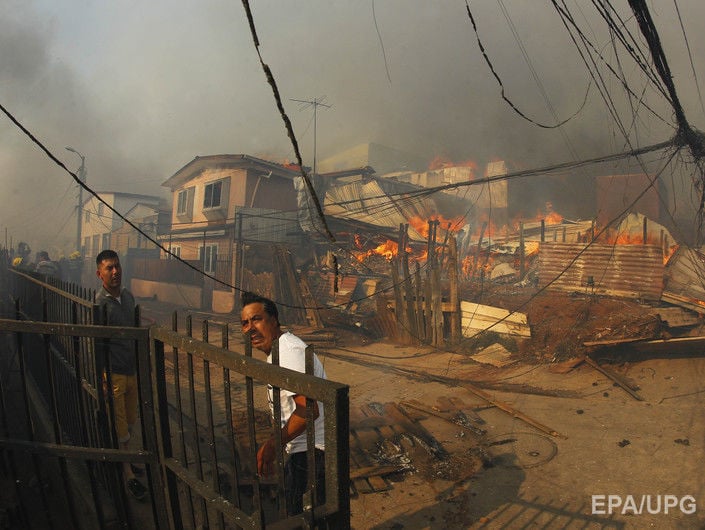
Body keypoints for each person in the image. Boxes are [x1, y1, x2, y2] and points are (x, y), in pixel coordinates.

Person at [240, 291, 327, 515]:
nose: (250, 328)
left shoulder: (287, 351)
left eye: (256, 319)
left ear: (274, 320)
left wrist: (272, 445)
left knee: (302, 519)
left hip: (312, 454)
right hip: (304, 451)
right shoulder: (279, 350)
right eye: (245, 323)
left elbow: (308, 410)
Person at [95, 249, 148, 502]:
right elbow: (99, 344)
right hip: (114, 373)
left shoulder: (127, 297)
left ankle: (126, 459)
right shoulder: (100, 304)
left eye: (117, 266)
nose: (115, 272)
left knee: (129, 420)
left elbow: (135, 331)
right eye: (109, 268)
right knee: (120, 427)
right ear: (99, 274)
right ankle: (128, 475)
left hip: (131, 370)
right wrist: (103, 376)